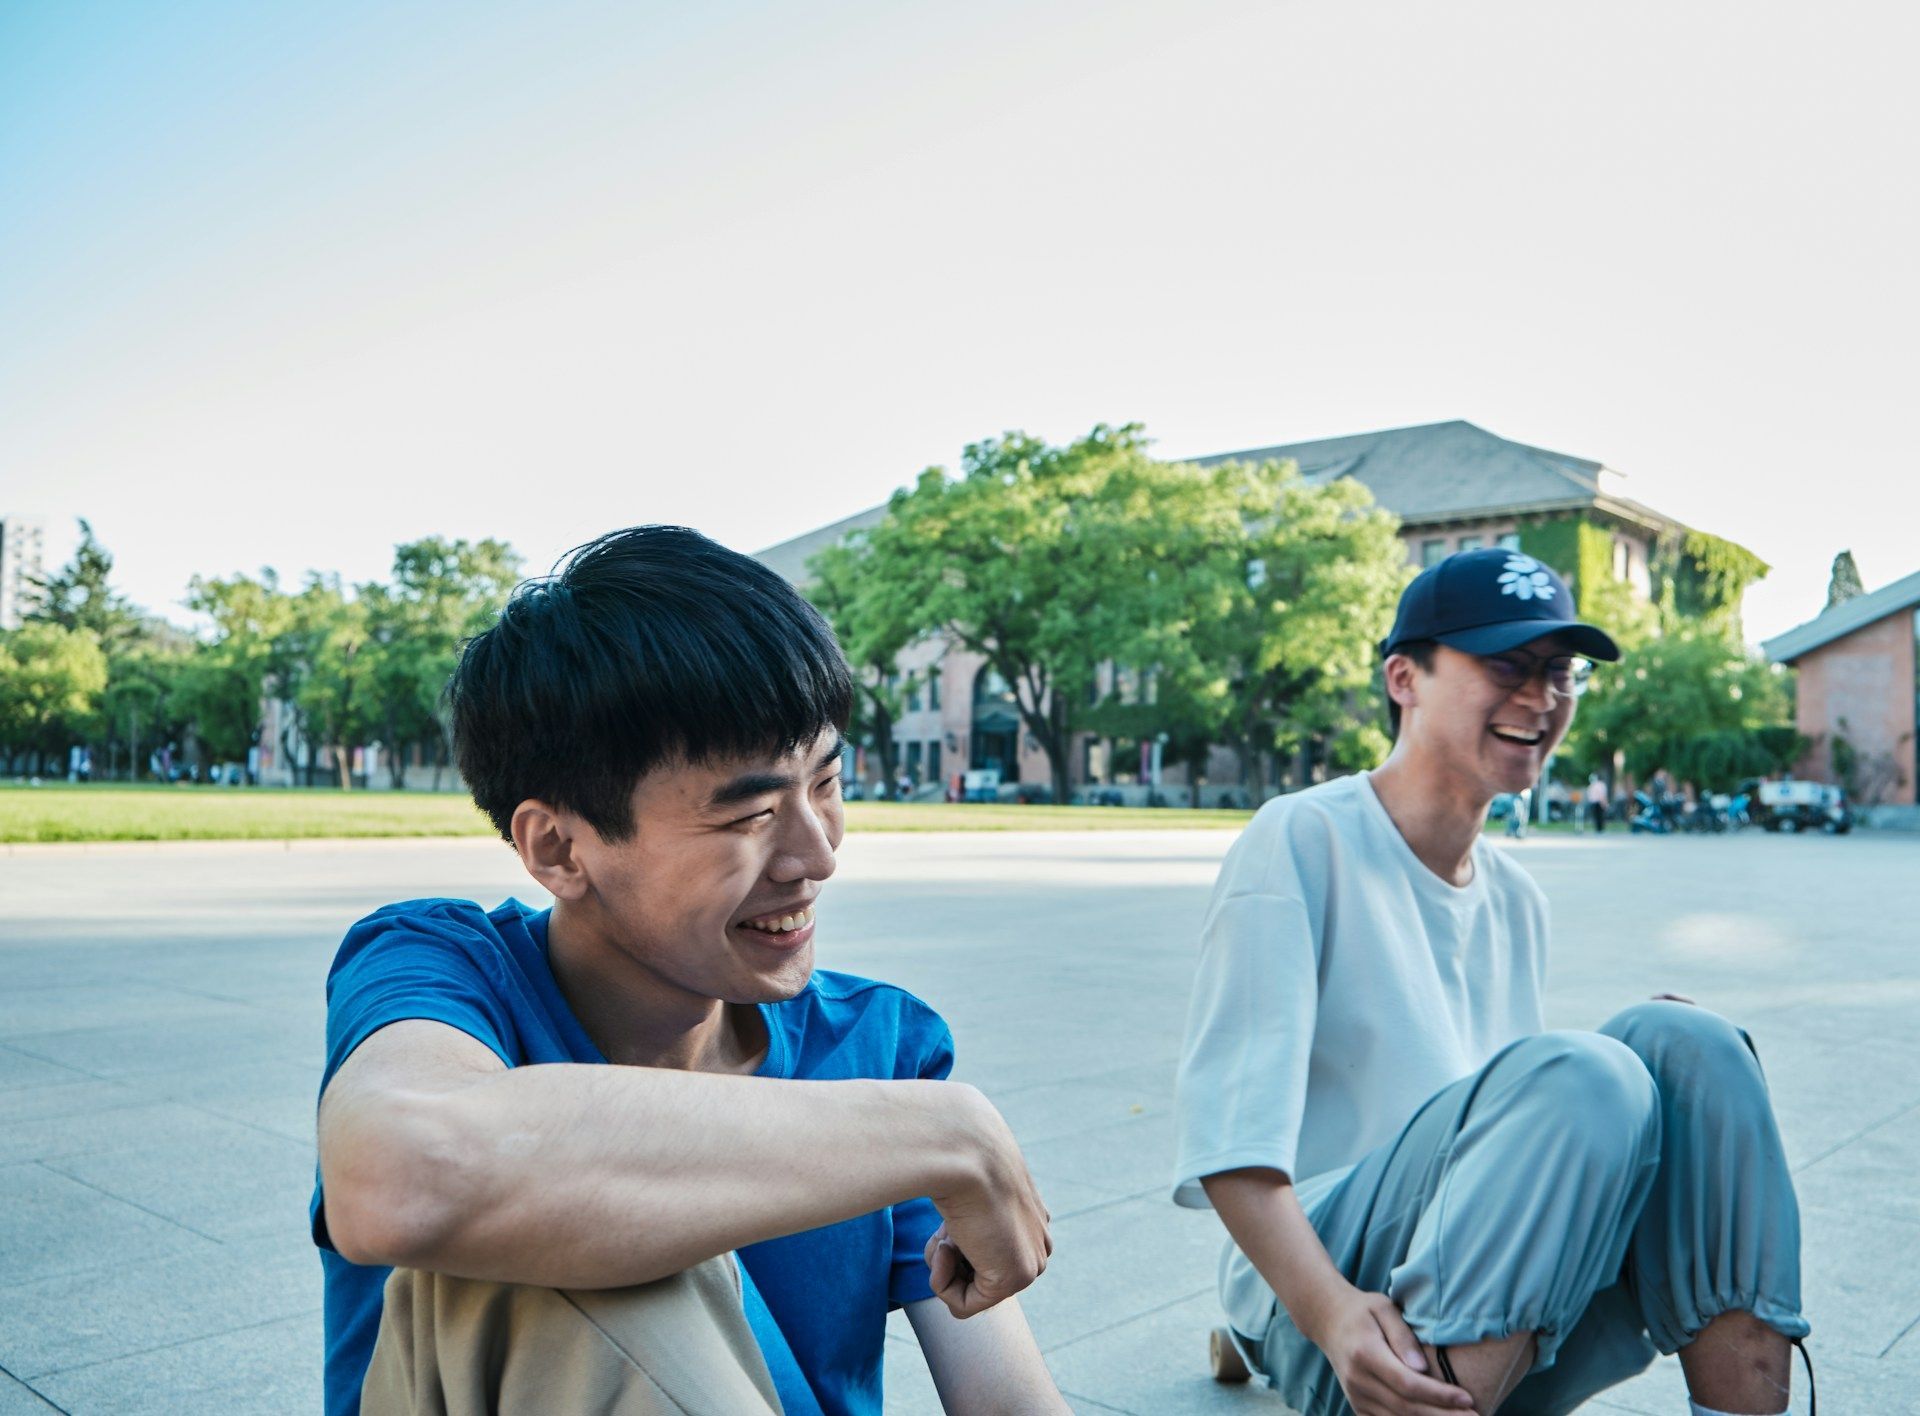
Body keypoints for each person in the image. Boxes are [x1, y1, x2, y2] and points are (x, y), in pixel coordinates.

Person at [313, 527, 1065, 1416]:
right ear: (558, 848)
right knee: (566, 1230)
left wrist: (928, 1125)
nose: (817, 856)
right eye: (749, 815)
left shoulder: (874, 1043)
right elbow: (402, 1177)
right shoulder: (445, 969)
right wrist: (949, 1131)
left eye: (826, 784)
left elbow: (1010, 1402)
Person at [1173, 548, 1808, 1416]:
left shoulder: (1515, 897)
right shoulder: (1301, 840)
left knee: (1689, 1048)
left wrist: (1641, 1076)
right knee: (1591, 1072)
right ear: (1405, 678)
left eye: (1560, 671)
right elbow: (1230, 1145)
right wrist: (1330, 1315)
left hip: (1477, 1280)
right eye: (1507, 665)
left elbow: (1505, 1128)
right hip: (1336, 1306)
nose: (1542, 697)